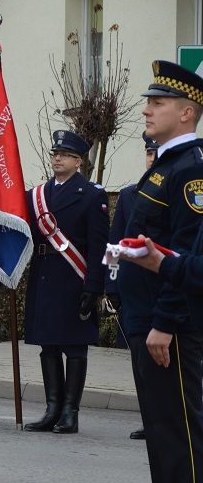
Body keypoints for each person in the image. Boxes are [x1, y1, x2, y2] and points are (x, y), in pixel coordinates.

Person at [113, 60, 203, 483]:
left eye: (159, 102)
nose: (146, 109)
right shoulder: (168, 163)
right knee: (163, 428)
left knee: (181, 432)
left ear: (187, 112)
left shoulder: (190, 169)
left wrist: (165, 323)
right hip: (147, 318)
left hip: (168, 325)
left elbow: (184, 253)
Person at [23, 130, 108, 435]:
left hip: (74, 278)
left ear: (78, 161)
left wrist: (94, 287)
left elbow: (99, 246)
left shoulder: (92, 194)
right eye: (54, 154)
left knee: (74, 348)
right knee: (48, 347)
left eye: (64, 155)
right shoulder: (37, 195)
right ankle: (52, 409)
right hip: (45, 275)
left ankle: (70, 412)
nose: (57, 158)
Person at [104, 131, 158, 441]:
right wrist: (111, 286)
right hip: (135, 294)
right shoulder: (129, 195)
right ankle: (149, 419)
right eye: (148, 154)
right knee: (140, 362)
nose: (152, 158)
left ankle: (169, 420)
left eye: (157, 153)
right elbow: (114, 246)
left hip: (165, 289)